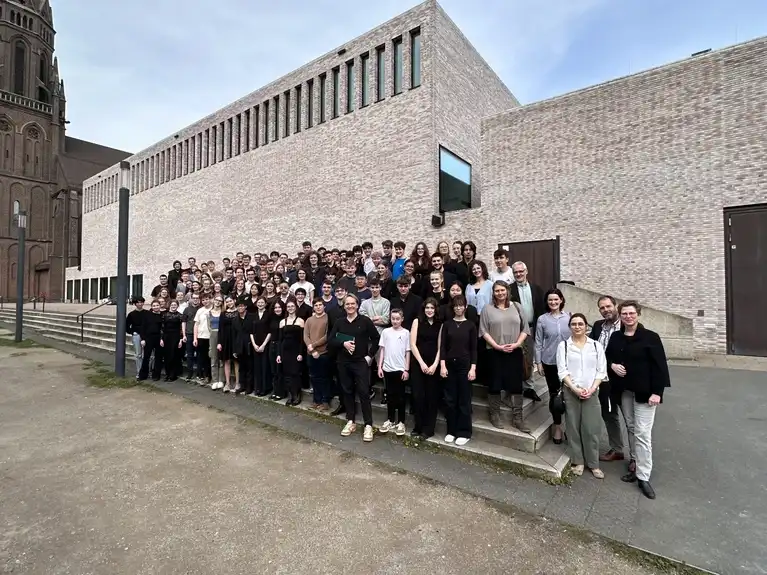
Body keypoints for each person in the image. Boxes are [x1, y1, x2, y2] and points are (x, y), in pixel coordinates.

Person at [606, 301, 670, 500]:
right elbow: (607, 357)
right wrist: (612, 365)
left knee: (642, 433)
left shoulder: (650, 337)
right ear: (620, 316)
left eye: (631, 313)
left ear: (638, 314)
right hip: (625, 391)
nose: (628, 316)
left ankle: (643, 476)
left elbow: (660, 366)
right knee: (631, 427)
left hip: (645, 393)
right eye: (624, 313)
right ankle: (635, 462)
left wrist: (657, 392)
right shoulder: (616, 337)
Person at [556, 313, 607, 479]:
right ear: (569, 327)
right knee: (573, 427)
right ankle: (578, 461)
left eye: (580, 324)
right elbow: (562, 370)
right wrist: (574, 389)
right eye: (573, 324)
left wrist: (592, 389)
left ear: (586, 326)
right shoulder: (564, 346)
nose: (577, 327)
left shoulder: (596, 346)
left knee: (592, 428)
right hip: (571, 391)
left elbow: (601, 370)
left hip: (592, 391)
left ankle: (593, 463)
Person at [478, 281, 530, 431]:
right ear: (493, 293)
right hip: (494, 351)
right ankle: (494, 414)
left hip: (515, 350)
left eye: (502, 290)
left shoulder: (517, 307)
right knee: (495, 383)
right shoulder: (487, 309)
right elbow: (483, 331)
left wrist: (517, 344)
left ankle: (518, 418)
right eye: (497, 291)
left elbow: (525, 329)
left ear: (507, 291)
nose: (500, 293)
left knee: (516, 385)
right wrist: (496, 346)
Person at [329, 294, 380, 442]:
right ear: (344, 306)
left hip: (360, 362)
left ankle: (368, 424)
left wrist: (369, 356)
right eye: (347, 304)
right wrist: (343, 343)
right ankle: (350, 420)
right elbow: (331, 340)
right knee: (347, 391)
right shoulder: (339, 322)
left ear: (357, 305)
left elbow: (376, 338)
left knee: (364, 392)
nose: (350, 306)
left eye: (352, 304)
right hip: (343, 362)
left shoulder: (365, 321)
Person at [589, 295, 626, 463]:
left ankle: (636, 457)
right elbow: (591, 347)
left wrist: (612, 364)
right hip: (603, 379)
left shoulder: (626, 325)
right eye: (602, 308)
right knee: (609, 414)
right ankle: (617, 449)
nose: (606, 310)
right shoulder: (598, 326)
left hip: (622, 378)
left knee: (630, 418)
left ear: (615, 306)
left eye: (608, 306)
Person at [534, 288, 571, 443]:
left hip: (569, 363)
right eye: (550, 300)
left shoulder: (569, 317)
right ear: (547, 302)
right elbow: (538, 342)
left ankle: (571, 427)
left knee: (570, 395)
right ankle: (557, 427)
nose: (553, 302)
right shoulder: (542, 319)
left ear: (561, 300)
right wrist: (538, 362)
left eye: (556, 299)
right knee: (555, 395)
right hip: (550, 362)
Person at [440, 295, 477, 446]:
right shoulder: (447, 325)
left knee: (464, 399)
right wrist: (442, 365)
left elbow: (474, 349)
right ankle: (451, 431)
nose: (458, 308)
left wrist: (473, 368)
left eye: (461, 305)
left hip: (464, 366)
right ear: (452, 308)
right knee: (450, 399)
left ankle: (464, 432)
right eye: (456, 305)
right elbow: (443, 347)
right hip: (450, 365)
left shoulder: (470, 326)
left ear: (465, 307)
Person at [508, 261, 546, 401]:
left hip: (531, 328)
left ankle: (529, 387)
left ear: (526, 271)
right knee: (514, 358)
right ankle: (515, 386)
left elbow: (541, 309)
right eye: (516, 272)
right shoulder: (509, 290)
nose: (518, 274)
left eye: (521, 271)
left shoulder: (537, 289)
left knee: (529, 358)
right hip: (514, 329)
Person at [409, 298, 442, 440]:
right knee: (418, 396)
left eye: (432, 308)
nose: (429, 310)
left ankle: (429, 430)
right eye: (427, 308)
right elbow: (412, 344)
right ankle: (418, 426)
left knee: (431, 397)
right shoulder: (417, 321)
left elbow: (441, 346)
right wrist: (422, 363)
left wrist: (435, 364)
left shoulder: (440, 324)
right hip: (418, 364)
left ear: (436, 310)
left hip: (433, 365)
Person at [377, 309, 411, 436]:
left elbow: (408, 352)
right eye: (393, 319)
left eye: (397, 319)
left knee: (400, 396)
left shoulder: (406, 333)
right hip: (387, 368)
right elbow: (382, 350)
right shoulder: (386, 332)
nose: (395, 321)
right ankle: (390, 420)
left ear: (402, 319)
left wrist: (406, 369)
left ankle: (401, 422)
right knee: (390, 396)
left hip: (400, 369)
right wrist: (380, 367)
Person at [277, 300, 305, 405]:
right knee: (287, 374)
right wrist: (279, 354)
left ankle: (297, 394)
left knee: (295, 373)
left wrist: (301, 353)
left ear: (295, 307)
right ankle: (290, 395)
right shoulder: (282, 322)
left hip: (296, 350)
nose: (290, 308)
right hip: (285, 350)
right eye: (288, 306)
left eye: (292, 306)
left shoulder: (301, 321)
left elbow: (302, 340)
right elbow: (280, 339)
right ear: (286, 308)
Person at [305, 298, 331, 410]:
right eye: (316, 305)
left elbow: (327, 335)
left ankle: (325, 401)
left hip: (323, 353)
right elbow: (306, 335)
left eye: (320, 305)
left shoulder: (328, 318)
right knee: (314, 378)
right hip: (311, 353)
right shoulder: (309, 320)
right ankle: (316, 400)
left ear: (324, 306)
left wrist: (314, 345)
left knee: (324, 378)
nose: (318, 307)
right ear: (313, 307)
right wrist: (312, 350)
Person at [249, 296, 272, 397]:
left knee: (265, 366)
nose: (260, 304)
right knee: (257, 367)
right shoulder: (253, 315)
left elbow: (270, 331)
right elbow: (251, 332)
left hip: (265, 344)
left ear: (266, 304)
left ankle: (265, 388)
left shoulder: (269, 315)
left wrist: (263, 345)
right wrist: (254, 344)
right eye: (259, 302)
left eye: (262, 302)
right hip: (255, 344)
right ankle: (257, 388)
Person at [138, 299, 164, 381]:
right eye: (154, 306)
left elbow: (164, 328)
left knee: (158, 357)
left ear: (160, 306)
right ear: (151, 307)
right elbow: (143, 328)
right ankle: (143, 375)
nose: (156, 307)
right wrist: (143, 339)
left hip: (159, 338)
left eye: (157, 305)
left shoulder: (163, 315)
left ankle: (156, 375)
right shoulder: (147, 315)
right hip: (148, 338)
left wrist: (162, 339)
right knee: (146, 357)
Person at [231, 300, 253, 394]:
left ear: (245, 307)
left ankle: (249, 387)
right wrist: (234, 350)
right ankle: (242, 386)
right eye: (238, 306)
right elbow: (233, 335)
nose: (240, 308)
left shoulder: (251, 317)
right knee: (241, 368)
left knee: (250, 367)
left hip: (249, 345)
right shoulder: (235, 320)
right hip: (239, 346)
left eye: (242, 306)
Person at [161, 300, 184, 381]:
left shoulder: (180, 315)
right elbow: (162, 327)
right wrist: (161, 339)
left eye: (175, 305)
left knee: (174, 355)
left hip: (176, 337)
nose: (173, 306)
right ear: (169, 305)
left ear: (177, 306)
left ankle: (173, 375)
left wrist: (181, 339)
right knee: (167, 356)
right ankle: (167, 374)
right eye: (172, 305)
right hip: (166, 337)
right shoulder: (164, 315)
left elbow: (181, 329)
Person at [193, 295, 213, 386]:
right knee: (203, 358)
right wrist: (195, 338)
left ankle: (212, 376)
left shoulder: (214, 309)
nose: (205, 301)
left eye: (207, 299)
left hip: (211, 337)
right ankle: (206, 376)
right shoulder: (200, 310)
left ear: (210, 299)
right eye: (203, 300)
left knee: (211, 357)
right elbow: (196, 324)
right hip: (201, 337)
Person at [126, 297, 148, 379]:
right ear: (135, 304)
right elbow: (127, 325)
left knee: (148, 354)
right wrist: (132, 332)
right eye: (138, 302)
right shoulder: (131, 314)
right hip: (137, 335)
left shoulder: (147, 313)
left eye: (141, 302)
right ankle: (139, 372)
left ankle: (147, 371)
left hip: (146, 335)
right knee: (138, 354)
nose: (140, 304)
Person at [268, 300, 286, 400]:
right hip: (272, 345)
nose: (277, 309)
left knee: (280, 370)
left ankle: (281, 392)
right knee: (273, 370)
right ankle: (275, 391)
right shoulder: (272, 318)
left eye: (279, 307)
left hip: (281, 345)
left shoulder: (285, 319)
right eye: (275, 307)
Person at [181, 293, 201, 382]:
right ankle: (190, 373)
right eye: (194, 298)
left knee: (200, 355)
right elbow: (183, 322)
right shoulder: (187, 309)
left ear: (199, 299)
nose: (195, 299)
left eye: (197, 298)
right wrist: (184, 335)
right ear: (191, 299)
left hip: (200, 335)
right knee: (190, 355)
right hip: (189, 334)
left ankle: (199, 373)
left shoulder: (201, 309)